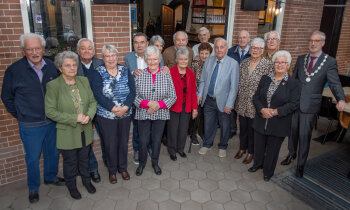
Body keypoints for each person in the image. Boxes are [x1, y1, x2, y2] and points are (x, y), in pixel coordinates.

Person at [1, 33, 64, 203]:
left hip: (51, 121)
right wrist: (21, 114)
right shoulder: (14, 71)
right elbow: (6, 97)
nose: (34, 52)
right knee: (33, 157)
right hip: (30, 124)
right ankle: (33, 187)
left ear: (43, 49)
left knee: (52, 153)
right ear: (23, 51)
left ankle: (50, 176)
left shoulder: (51, 67)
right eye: (30, 49)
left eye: (37, 48)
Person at [287, 31, 346, 178]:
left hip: (310, 106)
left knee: (304, 136)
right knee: (292, 133)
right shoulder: (301, 59)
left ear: (323, 43)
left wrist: (341, 99)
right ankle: (291, 154)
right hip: (295, 104)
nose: (313, 44)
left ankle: (300, 166)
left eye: (317, 41)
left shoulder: (329, 62)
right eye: (311, 41)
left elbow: (335, 83)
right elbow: (293, 82)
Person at [45, 51, 97, 199]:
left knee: (85, 159)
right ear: (60, 68)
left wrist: (89, 115)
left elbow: (93, 102)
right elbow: (50, 111)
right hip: (67, 132)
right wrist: (75, 118)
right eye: (68, 65)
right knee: (70, 163)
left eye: (74, 65)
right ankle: (72, 187)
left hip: (85, 130)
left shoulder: (83, 81)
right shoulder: (53, 86)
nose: (72, 68)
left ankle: (87, 182)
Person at [249, 50, 300, 182]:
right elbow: (256, 97)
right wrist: (261, 109)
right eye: (277, 62)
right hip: (261, 118)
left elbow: (293, 104)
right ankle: (257, 164)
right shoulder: (266, 78)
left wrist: (274, 112)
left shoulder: (294, 84)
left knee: (273, 149)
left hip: (279, 122)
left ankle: (268, 171)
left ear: (288, 64)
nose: (279, 65)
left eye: (283, 62)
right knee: (258, 145)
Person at [91, 44, 135, 183]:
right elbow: (98, 94)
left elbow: (132, 91)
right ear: (103, 58)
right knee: (110, 143)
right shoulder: (97, 72)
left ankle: (122, 168)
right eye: (107, 56)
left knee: (123, 142)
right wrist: (113, 108)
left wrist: (126, 107)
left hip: (125, 114)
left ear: (117, 56)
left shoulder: (125, 70)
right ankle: (112, 171)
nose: (110, 58)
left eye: (113, 55)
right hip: (106, 115)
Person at [134, 46, 176, 176]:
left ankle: (155, 162)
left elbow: (172, 96)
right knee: (143, 140)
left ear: (159, 60)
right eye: (150, 59)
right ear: (146, 60)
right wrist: (148, 104)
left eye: (155, 59)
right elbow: (134, 96)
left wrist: (158, 105)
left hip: (161, 113)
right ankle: (142, 163)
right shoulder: (140, 75)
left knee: (157, 140)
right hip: (143, 113)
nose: (152, 62)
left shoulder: (166, 74)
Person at [197, 38, 239, 158]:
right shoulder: (209, 61)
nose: (219, 50)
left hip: (224, 102)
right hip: (209, 100)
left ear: (226, 48)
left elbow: (234, 87)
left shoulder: (233, 63)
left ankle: (223, 146)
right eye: (217, 47)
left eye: (222, 47)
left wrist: (230, 104)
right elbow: (203, 80)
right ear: (214, 48)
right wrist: (200, 94)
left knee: (225, 126)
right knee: (209, 124)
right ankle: (207, 144)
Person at [234, 37, 273, 164]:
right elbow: (238, 81)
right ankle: (242, 148)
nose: (255, 50)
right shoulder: (244, 63)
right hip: (242, 101)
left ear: (262, 50)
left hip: (255, 104)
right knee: (243, 127)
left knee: (253, 129)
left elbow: (268, 86)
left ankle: (251, 152)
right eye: (253, 48)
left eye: (258, 48)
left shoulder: (267, 65)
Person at [76, 38, 104, 183]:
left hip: (101, 108)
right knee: (86, 141)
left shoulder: (101, 63)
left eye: (89, 48)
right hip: (84, 111)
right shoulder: (73, 66)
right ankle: (93, 169)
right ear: (78, 51)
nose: (86, 51)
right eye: (83, 48)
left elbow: (117, 69)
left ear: (94, 51)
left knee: (105, 138)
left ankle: (109, 164)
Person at [125, 33, 153, 165]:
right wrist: (132, 73)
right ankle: (137, 149)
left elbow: (162, 70)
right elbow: (124, 76)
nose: (139, 45)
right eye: (136, 42)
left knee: (152, 125)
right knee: (137, 126)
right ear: (133, 44)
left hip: (153, 99)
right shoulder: (128, 57)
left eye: (142, 42)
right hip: (136, 99)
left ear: (147, 43)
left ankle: (151, 147)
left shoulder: (154, 54)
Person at [167, 47, 198, 161]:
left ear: (188, 60)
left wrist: (195, 108)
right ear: (176, 60)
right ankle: (172, 150)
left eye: (186, 59)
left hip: (187, 106)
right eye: (181, 59)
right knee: (172, 129)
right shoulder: (170, 72)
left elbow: (193, 92)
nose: (184, 61)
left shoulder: (191, 73)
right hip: (174, 106)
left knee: (183, 129)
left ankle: (180, 149)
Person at [227, 30, 251, 138]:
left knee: (243, 109)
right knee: (231, 108)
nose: (242, 40)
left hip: (246, 86)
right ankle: (232, 129)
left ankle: (244, 132)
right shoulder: (231, 51)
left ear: (249, 39)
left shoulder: (253, 51)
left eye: (244, 37)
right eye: (240, 37)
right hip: (232, 83)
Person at [189, 43, 213, 145]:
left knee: (204, 115)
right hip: (196, 94)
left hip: (208, 95)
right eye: (202, 53)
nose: (204, 55)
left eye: (206, 53)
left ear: (210, 54)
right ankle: (192, 134)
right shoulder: (195, 64)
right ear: (198, 53)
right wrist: (196, 93)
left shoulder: (213, 65)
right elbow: (191, 79)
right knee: (196, 115)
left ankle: (201, 132)